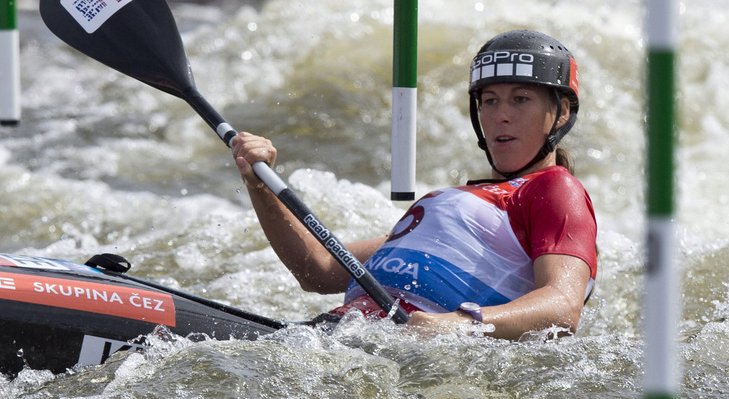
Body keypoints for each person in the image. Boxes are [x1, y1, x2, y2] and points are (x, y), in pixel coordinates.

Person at [230, 30, 598, 340]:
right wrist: (259, 183)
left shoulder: (554, 189)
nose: (501, 115)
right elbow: (318, 269)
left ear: (562, 112)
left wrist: (456, 325)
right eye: (489, 100)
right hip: (336, 335)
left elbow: (562, 306)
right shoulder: (458, 201)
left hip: (399, 355)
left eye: (521, 99)